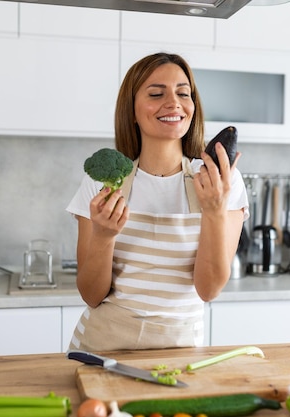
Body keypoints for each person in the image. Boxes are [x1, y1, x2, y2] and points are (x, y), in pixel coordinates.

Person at [65, 52, 249, 351]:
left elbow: (208, 289)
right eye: (156, 93)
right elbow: (91, 295)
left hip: (179, 353)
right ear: (132, 110)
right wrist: (103, 236)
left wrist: (214, 211)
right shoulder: (103, 185)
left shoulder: (221, 182)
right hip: (100, 348)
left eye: (183, 93)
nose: (174, 102)